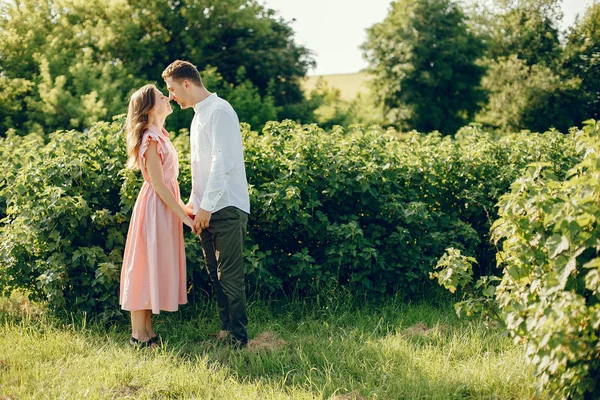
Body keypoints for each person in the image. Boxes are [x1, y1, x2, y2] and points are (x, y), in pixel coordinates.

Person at [162, 60, 251, 347]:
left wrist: (207, 207)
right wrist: (193, 204)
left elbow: (222, 163)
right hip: (207, 208)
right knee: (215, 275)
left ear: (187, 83)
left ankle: (239, 338)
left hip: (226, 206)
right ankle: (225, 330)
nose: (171, 96)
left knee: (230, 276)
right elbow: (200, 169)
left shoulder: (220, 111)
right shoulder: (197, 116)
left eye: (172, 89)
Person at [119, 84, 195, 347]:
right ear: (150, 107)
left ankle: (147, 332)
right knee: (143, 264)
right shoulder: (150, 138)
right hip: (155, 206)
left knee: (151, 264)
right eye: (163, 96)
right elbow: (159, 184)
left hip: (164, 205)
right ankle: (138, 335)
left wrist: (184, 208)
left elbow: (167, 183)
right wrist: (184, 216)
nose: (168, 97)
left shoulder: (160, 134)